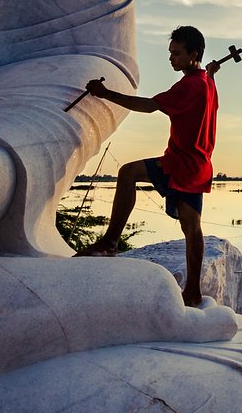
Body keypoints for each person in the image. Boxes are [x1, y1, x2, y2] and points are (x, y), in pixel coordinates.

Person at [75, 26, 220, 307]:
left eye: (177, 54)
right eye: (170, 54)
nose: (171, 59)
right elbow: (208, 78)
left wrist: (104, 93)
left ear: (194, 55)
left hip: (179, 163)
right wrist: (211, 73)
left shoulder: (188, 86)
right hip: (199, 164)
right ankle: (192, 291)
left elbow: (149, 105)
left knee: (127, 173)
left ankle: (110, 242)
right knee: (192, 228)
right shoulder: (207, 83)